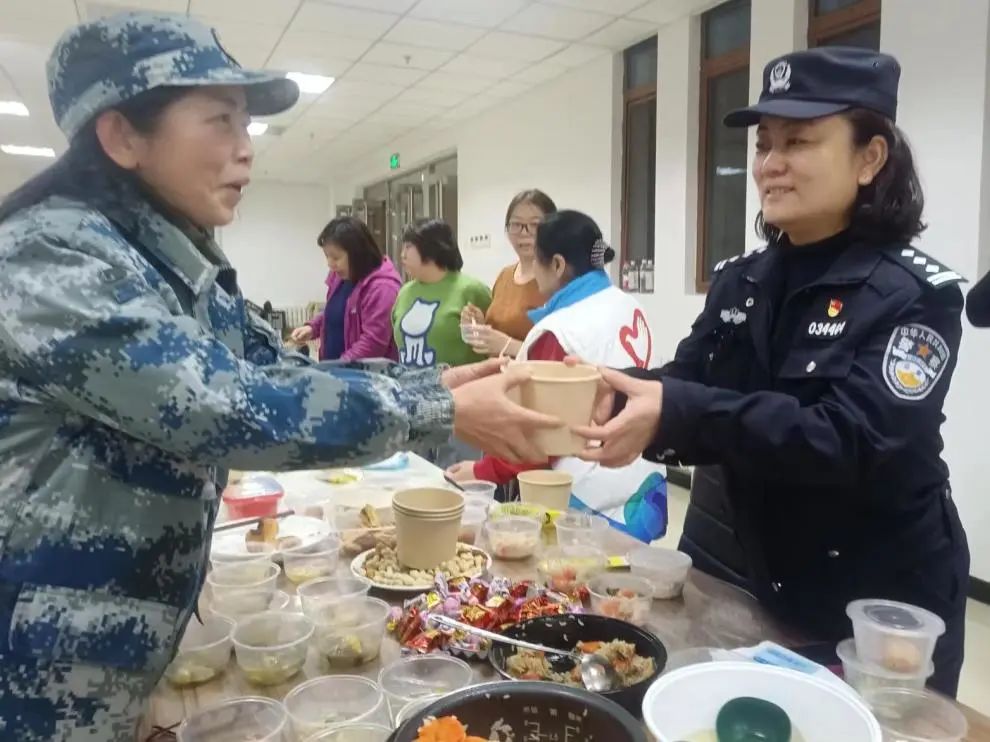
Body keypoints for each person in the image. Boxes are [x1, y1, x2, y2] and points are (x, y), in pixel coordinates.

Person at [0, 13, 558, 740]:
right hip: (38, 658)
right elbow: (221, 405)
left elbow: (274, 367)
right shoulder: (54, 257)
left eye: (247, 124)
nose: (246, 148)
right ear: (123, 136)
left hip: (108, 641)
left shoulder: (173, 257)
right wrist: (438, 413)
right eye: (220, 121)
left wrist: (437, 386)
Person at [576, 47, 970, 696]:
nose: (769, 164)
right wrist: (599, 390)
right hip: (762, 575)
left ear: (870, 158)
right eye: (764, 144)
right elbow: (690, 382)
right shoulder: (744, 281)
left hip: (880, 602)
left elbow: (850, 439)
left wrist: (676, 408)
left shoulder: (913, 295)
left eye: (799, 141)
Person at [449, 211, 667, 542]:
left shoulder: (560, 330)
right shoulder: (628, 304)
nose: (531, 272)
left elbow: (539, 434)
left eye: (534, 261)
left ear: (557, 265)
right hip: (640, 480)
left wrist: (481, 471)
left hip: (583, 494)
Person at [461, 189, 556, 358]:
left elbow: (561, 355)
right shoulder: (505, 275)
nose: (524, 233)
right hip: (498, 371)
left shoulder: (559, 279)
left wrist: (508, 345)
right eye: (516, 225)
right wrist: (481, 326)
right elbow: (500, 335)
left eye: (535, 225)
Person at [290, 217, 401, 361]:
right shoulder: (340, 275)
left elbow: (373, 344)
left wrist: (340, 365)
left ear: (357, 254)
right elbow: (338, 313)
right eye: (327, 256)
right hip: (336, 368)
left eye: (336, 258)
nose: (330, 264)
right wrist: (313, 327)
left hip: (362, 372)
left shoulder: (382, 288)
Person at [393, 219, 492, 368]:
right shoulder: (404, 292)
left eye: (408, 247)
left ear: (430, 249)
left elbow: (495, 345)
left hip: (463, 381)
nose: (403, 255)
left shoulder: (471, 290)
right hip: (409, 381)